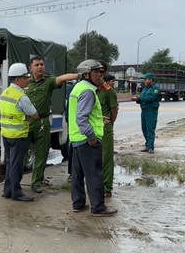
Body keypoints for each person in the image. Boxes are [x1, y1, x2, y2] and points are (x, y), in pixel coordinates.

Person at [68, 59, 118, 216]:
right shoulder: (88, 91)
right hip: (86, 140)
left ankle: (78, 203)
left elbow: (80, 114)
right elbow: (81, 118)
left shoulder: (78, 88)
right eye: (96, 72)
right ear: (85, 74)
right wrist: (91, 136)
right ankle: (98, 207)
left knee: (77, 174)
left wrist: (98, 119)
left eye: (101, 72)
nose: (100, 75)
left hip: (76, 138)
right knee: (94, 174)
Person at [25, 56, 79, 193]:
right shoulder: (25, 83)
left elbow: (62, 78)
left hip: (42, 122)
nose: (40, 67)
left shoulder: (48, 82)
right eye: (37, 65)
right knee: (21, 154)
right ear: (30, 68)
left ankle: (36, 182)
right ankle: (14, 182)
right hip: (26, 123)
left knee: (41, 154)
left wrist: (79, 75)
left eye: (42, 64)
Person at [0, 63, 39, 202]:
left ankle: (8, 190)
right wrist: (29, 117)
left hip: (6, 134)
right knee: (16, 165)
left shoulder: (4, 93)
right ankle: (17, 193)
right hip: (18, 136)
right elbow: (34, 114)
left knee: (10, 164)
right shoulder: (21, 97)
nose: (28, 79)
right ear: (17, 80)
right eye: (25, 77)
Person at [97, 74, 119, 197]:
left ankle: (106, 187)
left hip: (105, 127)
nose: (99, 78)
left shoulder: (108, 91)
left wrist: (110, 123)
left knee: (106, 157)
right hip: (93, 127)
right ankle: (96, 184)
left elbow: (114, 110)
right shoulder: (91, 90)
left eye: (101, 76)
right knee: (95, 157)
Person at [131, 72, 161, 154]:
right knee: (144, 128)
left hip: (151, 111)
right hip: (143, 110)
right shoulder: (144, 89)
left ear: (151, 79)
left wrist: (139, 99)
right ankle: (147, 145)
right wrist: (137, 99)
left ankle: (150, 147)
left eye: (145, 79)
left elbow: (150, 98)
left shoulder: (155, 88)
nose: (144, 81)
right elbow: (141, 99)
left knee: (150, 129)